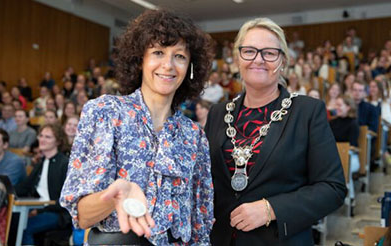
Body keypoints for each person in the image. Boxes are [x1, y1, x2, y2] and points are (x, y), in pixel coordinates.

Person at [60, 9, 214, 246]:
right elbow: (81, 216)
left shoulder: (194, 136)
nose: (168, 65)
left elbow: (200, 226)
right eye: (158, 52)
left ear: (190, 66)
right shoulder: (106, 112)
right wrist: (116, 195)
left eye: (180, 56)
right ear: (139, 59)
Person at [204, 17, 347, 245]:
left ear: (283, 61)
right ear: (237, 59)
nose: (258, 59)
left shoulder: (307, 112)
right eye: (249, 51)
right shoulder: (217, 113)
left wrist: (271, 209)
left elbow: (333, 188)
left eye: (269, 53)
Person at [15, 124, 71, 245]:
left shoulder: (64, 164)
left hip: (58, 212)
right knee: (14, 221)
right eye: (41, 136)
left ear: (58, 142)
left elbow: (66, 199)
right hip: (40, 207)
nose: (42, 139)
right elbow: (25, 186)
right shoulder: (41, 162)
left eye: (48, 137)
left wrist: (39, 211)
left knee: (25, 227)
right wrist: (6, 189)